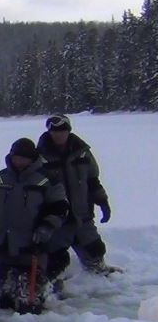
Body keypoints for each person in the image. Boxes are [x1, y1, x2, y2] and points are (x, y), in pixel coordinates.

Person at [0, 138, 70, 310]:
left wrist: (46, 228)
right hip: (3, 243)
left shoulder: (46, 180)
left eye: (23, 158)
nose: (19, 161)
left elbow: (59, 208)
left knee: (29, 300)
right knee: (4, 296)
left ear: (32, 158)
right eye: (16, 157)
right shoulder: (0, 179)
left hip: (32, 246)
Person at [37, 113, 115, 278]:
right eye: (55, 131)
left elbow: (93, 180)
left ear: (69, 131)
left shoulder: (82, 153)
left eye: (63, 130)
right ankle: (54, 284)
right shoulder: (40, 157)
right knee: (54, 258)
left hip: (82, 214)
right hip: (57, 219)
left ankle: (99, 274)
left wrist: (102, 201)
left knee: (95, 248)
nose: (59, 134)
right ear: (50, 132)